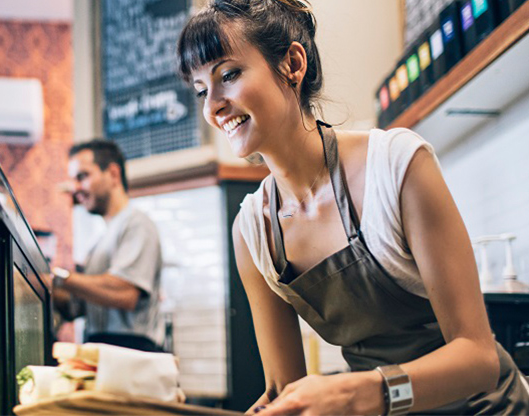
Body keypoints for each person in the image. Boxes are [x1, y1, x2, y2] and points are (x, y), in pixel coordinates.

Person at [176, 0, 529, 414]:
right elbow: (283, 392)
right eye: (201, 90)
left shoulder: (395, 166)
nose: (212, 106)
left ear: (292, 63)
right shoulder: (253, 232)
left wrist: (355, 393)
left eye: (228, 75)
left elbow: (479, 361)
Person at [51, 139, 164, 353]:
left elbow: (125, 292)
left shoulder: (137, 223)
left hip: (132, 351)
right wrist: (40, 283)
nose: (75, 188)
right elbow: (77, 307)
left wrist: (62, 278)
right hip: (101, 346)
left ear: (113, 173)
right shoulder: (99, 240)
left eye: (82, 177)